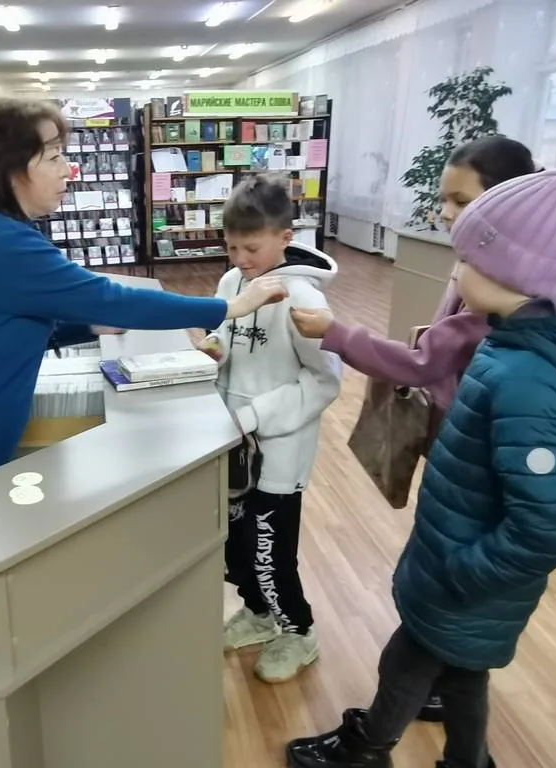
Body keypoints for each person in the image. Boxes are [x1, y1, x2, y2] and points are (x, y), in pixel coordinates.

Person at [285, 169, 556, 768]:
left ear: (510, 269)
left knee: (406, 663)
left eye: (465, 261)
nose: (455, 274)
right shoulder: (509, 346)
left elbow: (547, 529)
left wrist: (462, 574)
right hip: (457, 557)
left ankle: (365, 749)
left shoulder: (527, 379)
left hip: (465, 578)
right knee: (462, 676)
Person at [0, 98, 287, 480]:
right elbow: (113, 300)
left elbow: (7, 324)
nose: (68, 169)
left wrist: (88, 327)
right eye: (54, 156)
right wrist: (228, 307)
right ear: (10, 168)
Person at [289, 135, 536, 723]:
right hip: (453, 442)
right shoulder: (479, 270)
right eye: (445, 199)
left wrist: (338, 333)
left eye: (461, 201)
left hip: (470, 450)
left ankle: (413, 705)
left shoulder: (500, 294)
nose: (446, 214)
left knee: (445, 586)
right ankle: (447, 689)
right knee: (443, 571)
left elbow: (428, 362)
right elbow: (443, 346)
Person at [197, 175, 342, 684]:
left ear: (285, 237)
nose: (240, 258)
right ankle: (258, 614)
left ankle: (299, 631)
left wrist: (255, 415)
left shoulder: (304, 301)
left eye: (251, 248)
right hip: (230, 442)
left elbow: (324, 380)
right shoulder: (232, 283)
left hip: (277, 450)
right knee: (234, 545)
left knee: (269, 552)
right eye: (231, 247)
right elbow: (225, 334)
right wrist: (213, 349)